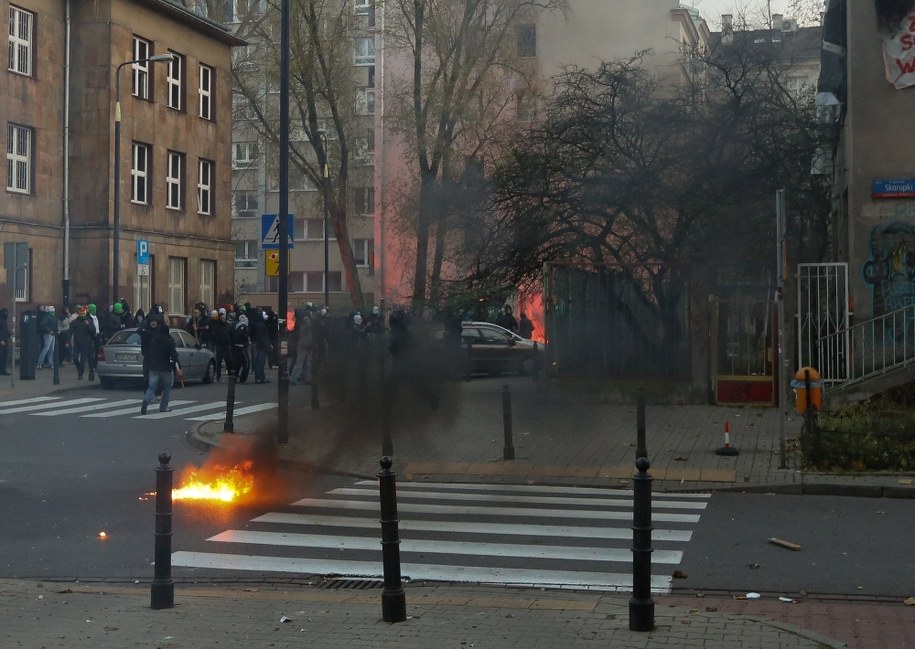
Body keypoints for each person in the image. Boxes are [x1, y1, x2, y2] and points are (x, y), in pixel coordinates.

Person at [140, 315, 182, 415]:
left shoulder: (154, 340)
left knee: (151, 387)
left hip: (153, 367)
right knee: (167, 387)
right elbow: (174, 356)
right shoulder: (169, 341)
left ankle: (146, 400)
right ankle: (163, 407)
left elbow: (149, 352)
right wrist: (178, 368)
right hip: (165, 368)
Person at [290, 306, 314, 385]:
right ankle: (296, 378)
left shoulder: (301, 322)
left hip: (304, 344)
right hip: (305, 344)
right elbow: (305, 330)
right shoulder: (306, 321)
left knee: (304, 363)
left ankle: (304, 378)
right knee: (303, 363)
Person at [69, 307, 95, 380]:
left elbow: (93, 330)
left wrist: (88, 325)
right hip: (77, 342)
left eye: (83, 314)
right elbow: (70, 331)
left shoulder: (88, 320)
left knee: (83, 359)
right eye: (81, 314)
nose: (82, 315)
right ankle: (79, 368)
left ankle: (80, 374)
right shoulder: (75, 322)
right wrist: (67, 341)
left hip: (86, 342)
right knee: (75, 358)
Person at [250, 308, 272, 384]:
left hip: (258, 345)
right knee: (260, 362)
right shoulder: (261, 325)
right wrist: (268, 345)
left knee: (260, 362)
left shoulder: (256, 324)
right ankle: (259, 377)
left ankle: (260, 377)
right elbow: (263, 337)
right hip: (261, 346)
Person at [231, 314, 251, 383]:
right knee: (246, 363)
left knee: (238, 363)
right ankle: (243, 378)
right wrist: (247, 337)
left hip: (237, 346)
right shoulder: (243, 326)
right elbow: (239, 335)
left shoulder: (237, 325)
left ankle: (234, 377)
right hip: (242, 347)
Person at [0, 308, 11, 375]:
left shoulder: (4, 320)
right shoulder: (1, 320)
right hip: (2, 340)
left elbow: (6, 330)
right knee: (1, 356)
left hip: (5, 339)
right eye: (6, 313)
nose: (7, 315)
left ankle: (3, 370)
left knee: (4, 356)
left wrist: (10, 335)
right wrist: (1, 339)